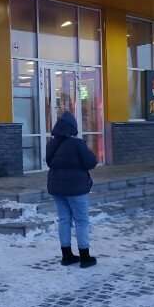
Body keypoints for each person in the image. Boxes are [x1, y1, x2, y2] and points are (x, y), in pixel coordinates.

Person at [46, 110, 98, 268]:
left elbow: (49, 163)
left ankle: (66, 255)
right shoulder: (78, 144)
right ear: (73, 127)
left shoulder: (51, 144)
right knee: (81, 220)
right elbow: (91, 163)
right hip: (76, 189)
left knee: (64, 220)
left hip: (57, 187)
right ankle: (85, 257)